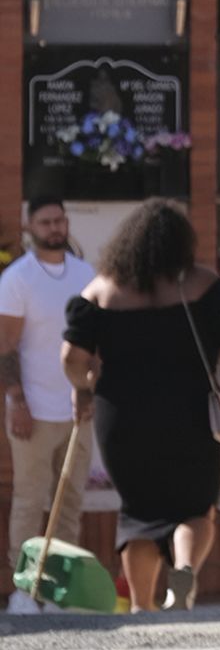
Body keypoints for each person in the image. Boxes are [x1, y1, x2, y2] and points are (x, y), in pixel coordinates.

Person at [62, 201, 220, 613]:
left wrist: (83, 388)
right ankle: (184, 568)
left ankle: (144, 606)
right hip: (191, 410)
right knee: (195, 506)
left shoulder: (101, 290)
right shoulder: (202, 285)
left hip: (122, 416)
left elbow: (72, 358)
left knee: (138, 512)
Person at [1, 193, 95, 593]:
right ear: (29, 227)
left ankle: (62, 589)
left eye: (60, 220)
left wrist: (90, 392)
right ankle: (25, 590)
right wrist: (18, 402)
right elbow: (5, 347)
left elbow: (96, 342)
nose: (55, 228)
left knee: (70, 504)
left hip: (78, 410)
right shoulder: (17, 278)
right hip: (33, 412)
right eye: (45, 222)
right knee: (29, 502)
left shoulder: (86, 274)